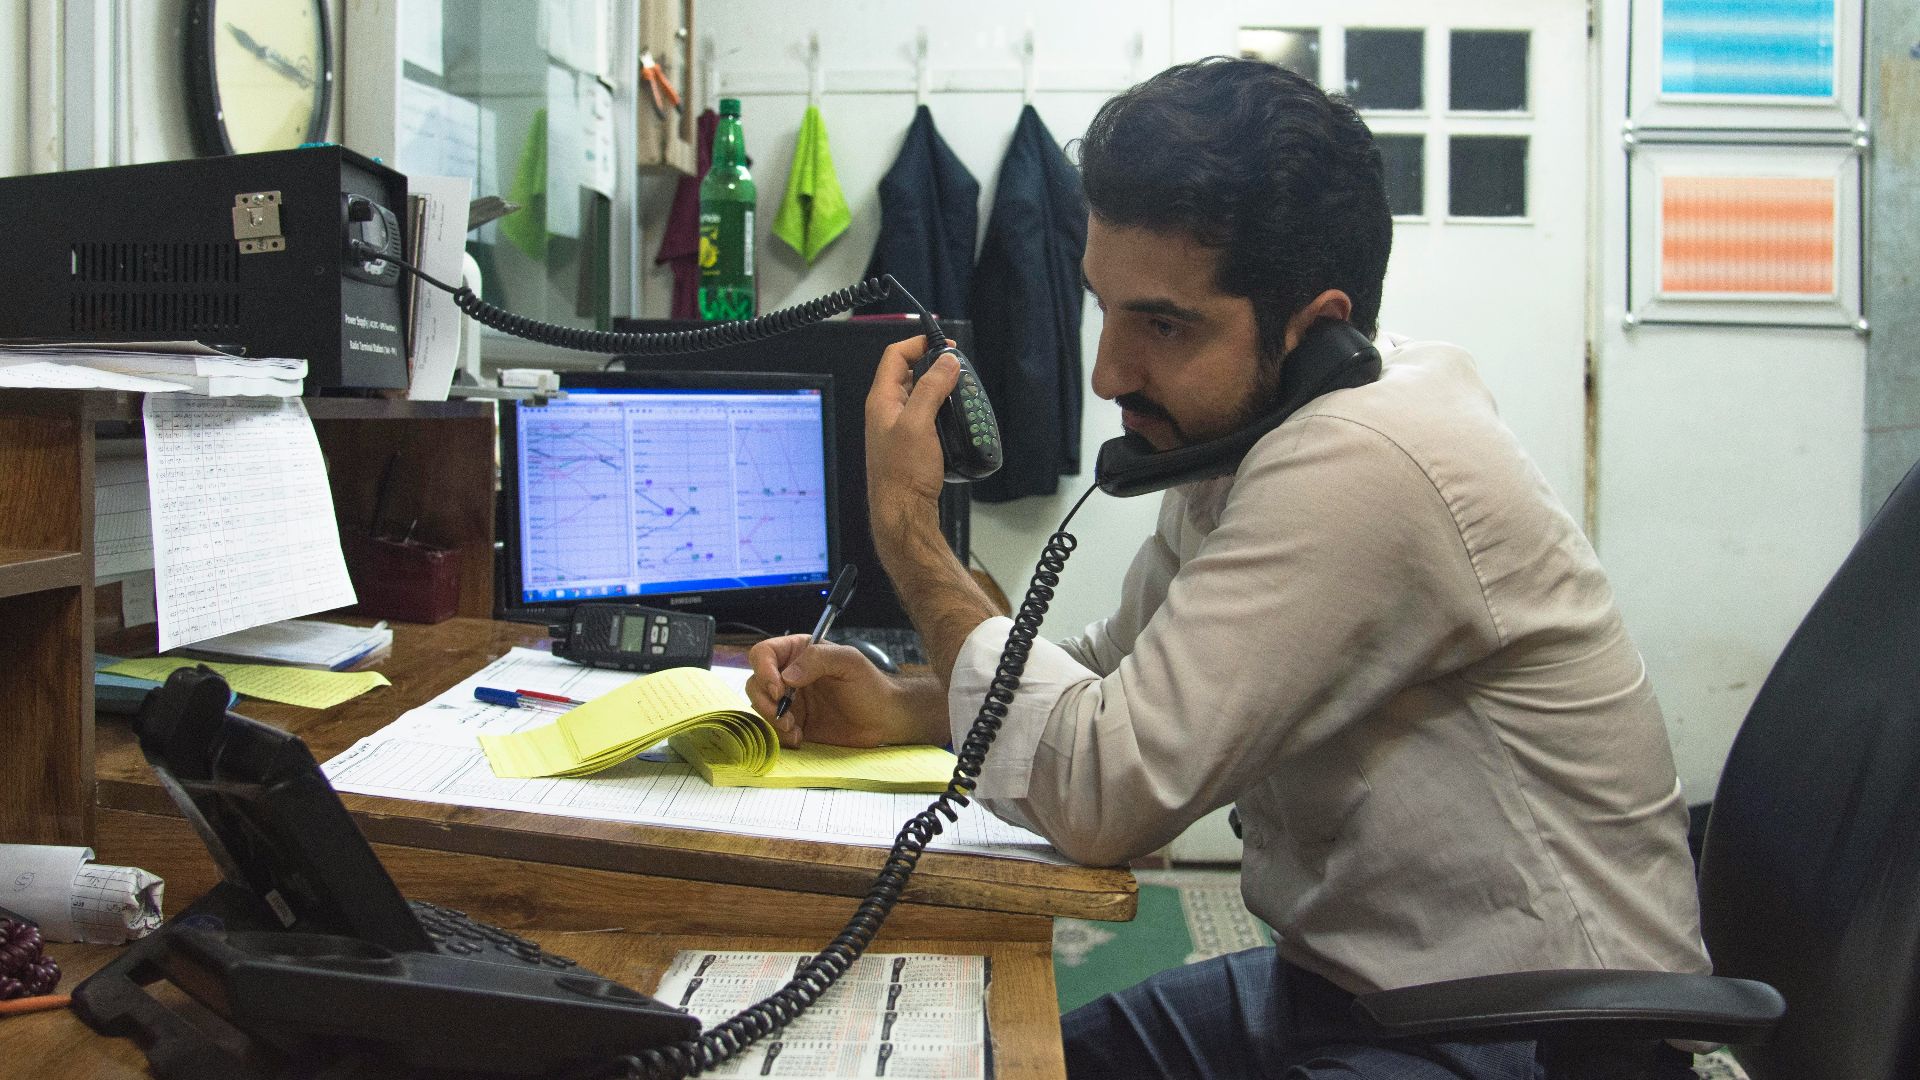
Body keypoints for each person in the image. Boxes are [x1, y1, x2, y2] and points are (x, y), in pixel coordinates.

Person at [745, 58, 1708, 1079]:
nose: (1108, 374)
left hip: (1531, 1030)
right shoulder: (1255, 434)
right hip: (1355, 986)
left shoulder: (1365, 462)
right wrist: (903, 705)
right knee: (1010, 1063)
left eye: (1164, 324)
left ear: (1315, 328)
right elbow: (1114, 679)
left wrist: (908, 528)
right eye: (1105, 310)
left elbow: (1099, 794)